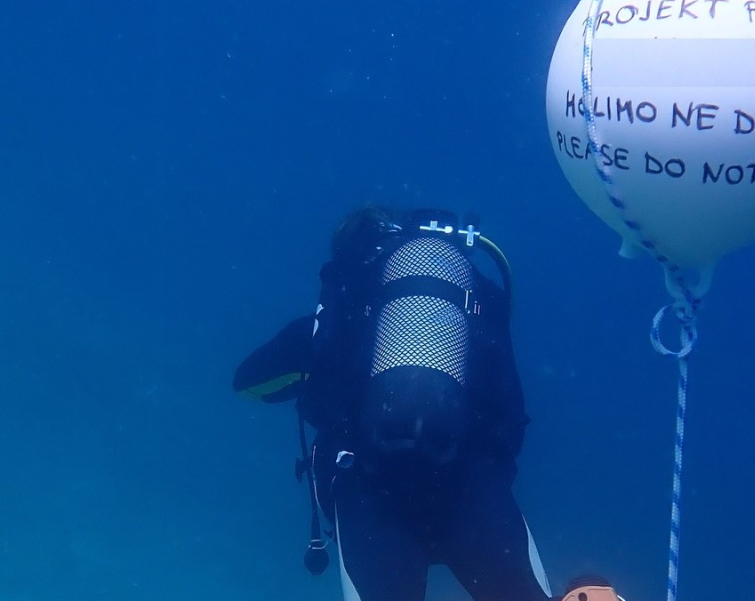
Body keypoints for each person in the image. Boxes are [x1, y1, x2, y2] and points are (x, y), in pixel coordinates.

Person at [233, 205, 554, 601]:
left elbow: (249, 383)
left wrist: (313, 372)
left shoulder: (345, 303)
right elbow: (508, 412)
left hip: (370, 489)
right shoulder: (472, 301)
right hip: (470, 489)